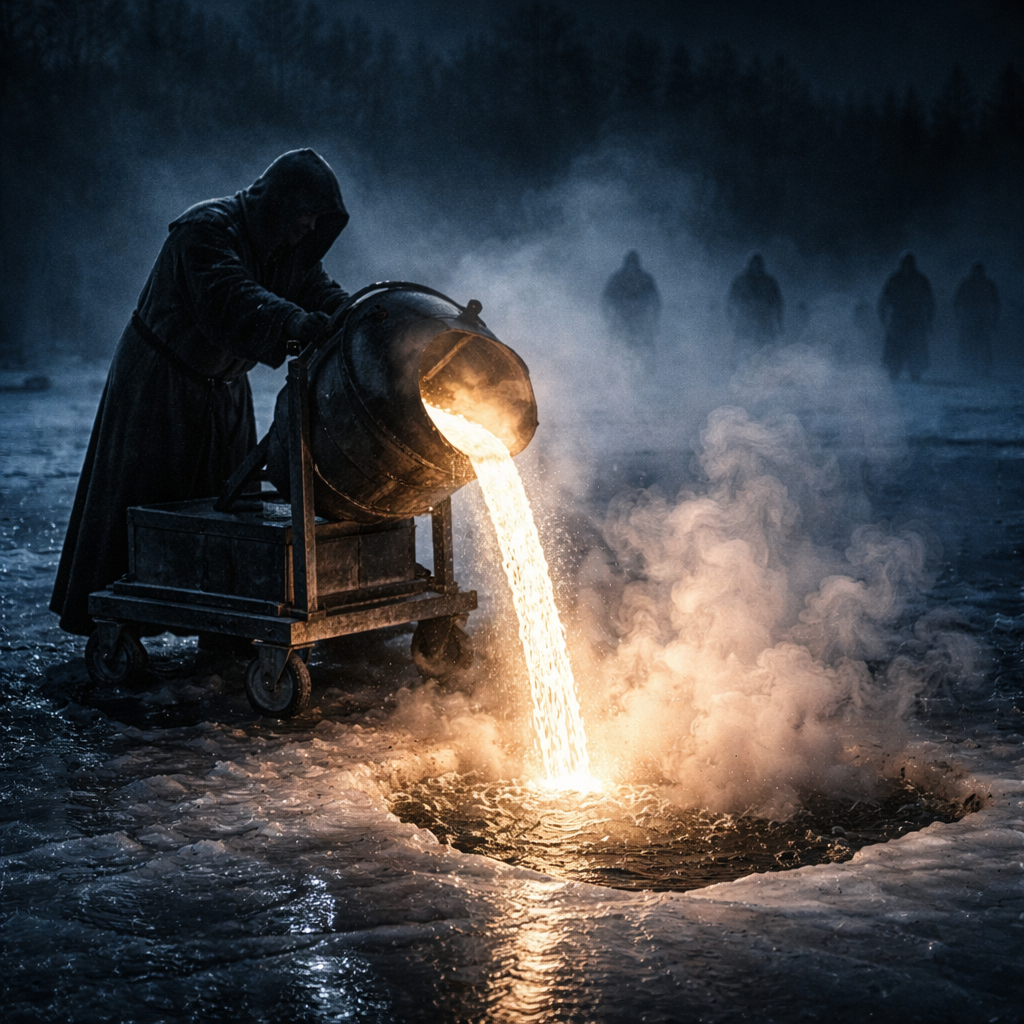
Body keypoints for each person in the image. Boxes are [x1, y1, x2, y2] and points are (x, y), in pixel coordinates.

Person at [51, 149, 350, 636]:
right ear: (279, 204)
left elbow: (322, 294)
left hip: (225, 391)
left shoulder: (289, 249)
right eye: (306, 213)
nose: (311, 225)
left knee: (227, 508)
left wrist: (360, 320)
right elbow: (231, 297)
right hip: (160, 386)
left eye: (319, 217)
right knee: (145, 502)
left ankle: (224, 624)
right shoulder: (206, 230)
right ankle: (119, 624)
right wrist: (295, 324)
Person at [878, 251, 934, 382]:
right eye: (905, 264)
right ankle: (894, 370)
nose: (907, 267)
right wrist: (882, 317)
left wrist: (929, 319)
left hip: (915, 319)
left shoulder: (920, 280)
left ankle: (915, 372)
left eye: (910, 264)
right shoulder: (894, 279)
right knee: (895, 348)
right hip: (898, 318)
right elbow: (884, 300)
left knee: (916, 347)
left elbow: (929, 301)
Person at [601, 250, 662, 348]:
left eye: (634, 263)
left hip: (640, 318)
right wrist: (608, 316)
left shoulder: (645, 279)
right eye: (630, 263)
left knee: (646, 344)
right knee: (614, 342)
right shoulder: (618, 278)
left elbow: (656, 300)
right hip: (621, 316)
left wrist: (653, 318)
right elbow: (606, 298)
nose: (632, 267)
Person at [953, 261, 1000, 376]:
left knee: (983, 345)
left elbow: (996, 303)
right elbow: (956, 301)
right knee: (969, 344)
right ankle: (970, 367)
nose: (977, 274)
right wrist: (958, 316)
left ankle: (985, 368)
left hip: (982, 318)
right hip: (969, 318)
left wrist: (994, 319)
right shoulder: (967, 284)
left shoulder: (988, 284)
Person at [727, 253, 783, 347]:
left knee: (765, 346)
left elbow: (778, 302)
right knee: (743, 346)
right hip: (745, 319)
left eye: (758, 264)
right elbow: (731, 301)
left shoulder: (768, 281)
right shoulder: (740, 281)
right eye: (754, 264)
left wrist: (778, 320)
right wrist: (731, 318)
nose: (756, 267)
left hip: (763, 319)